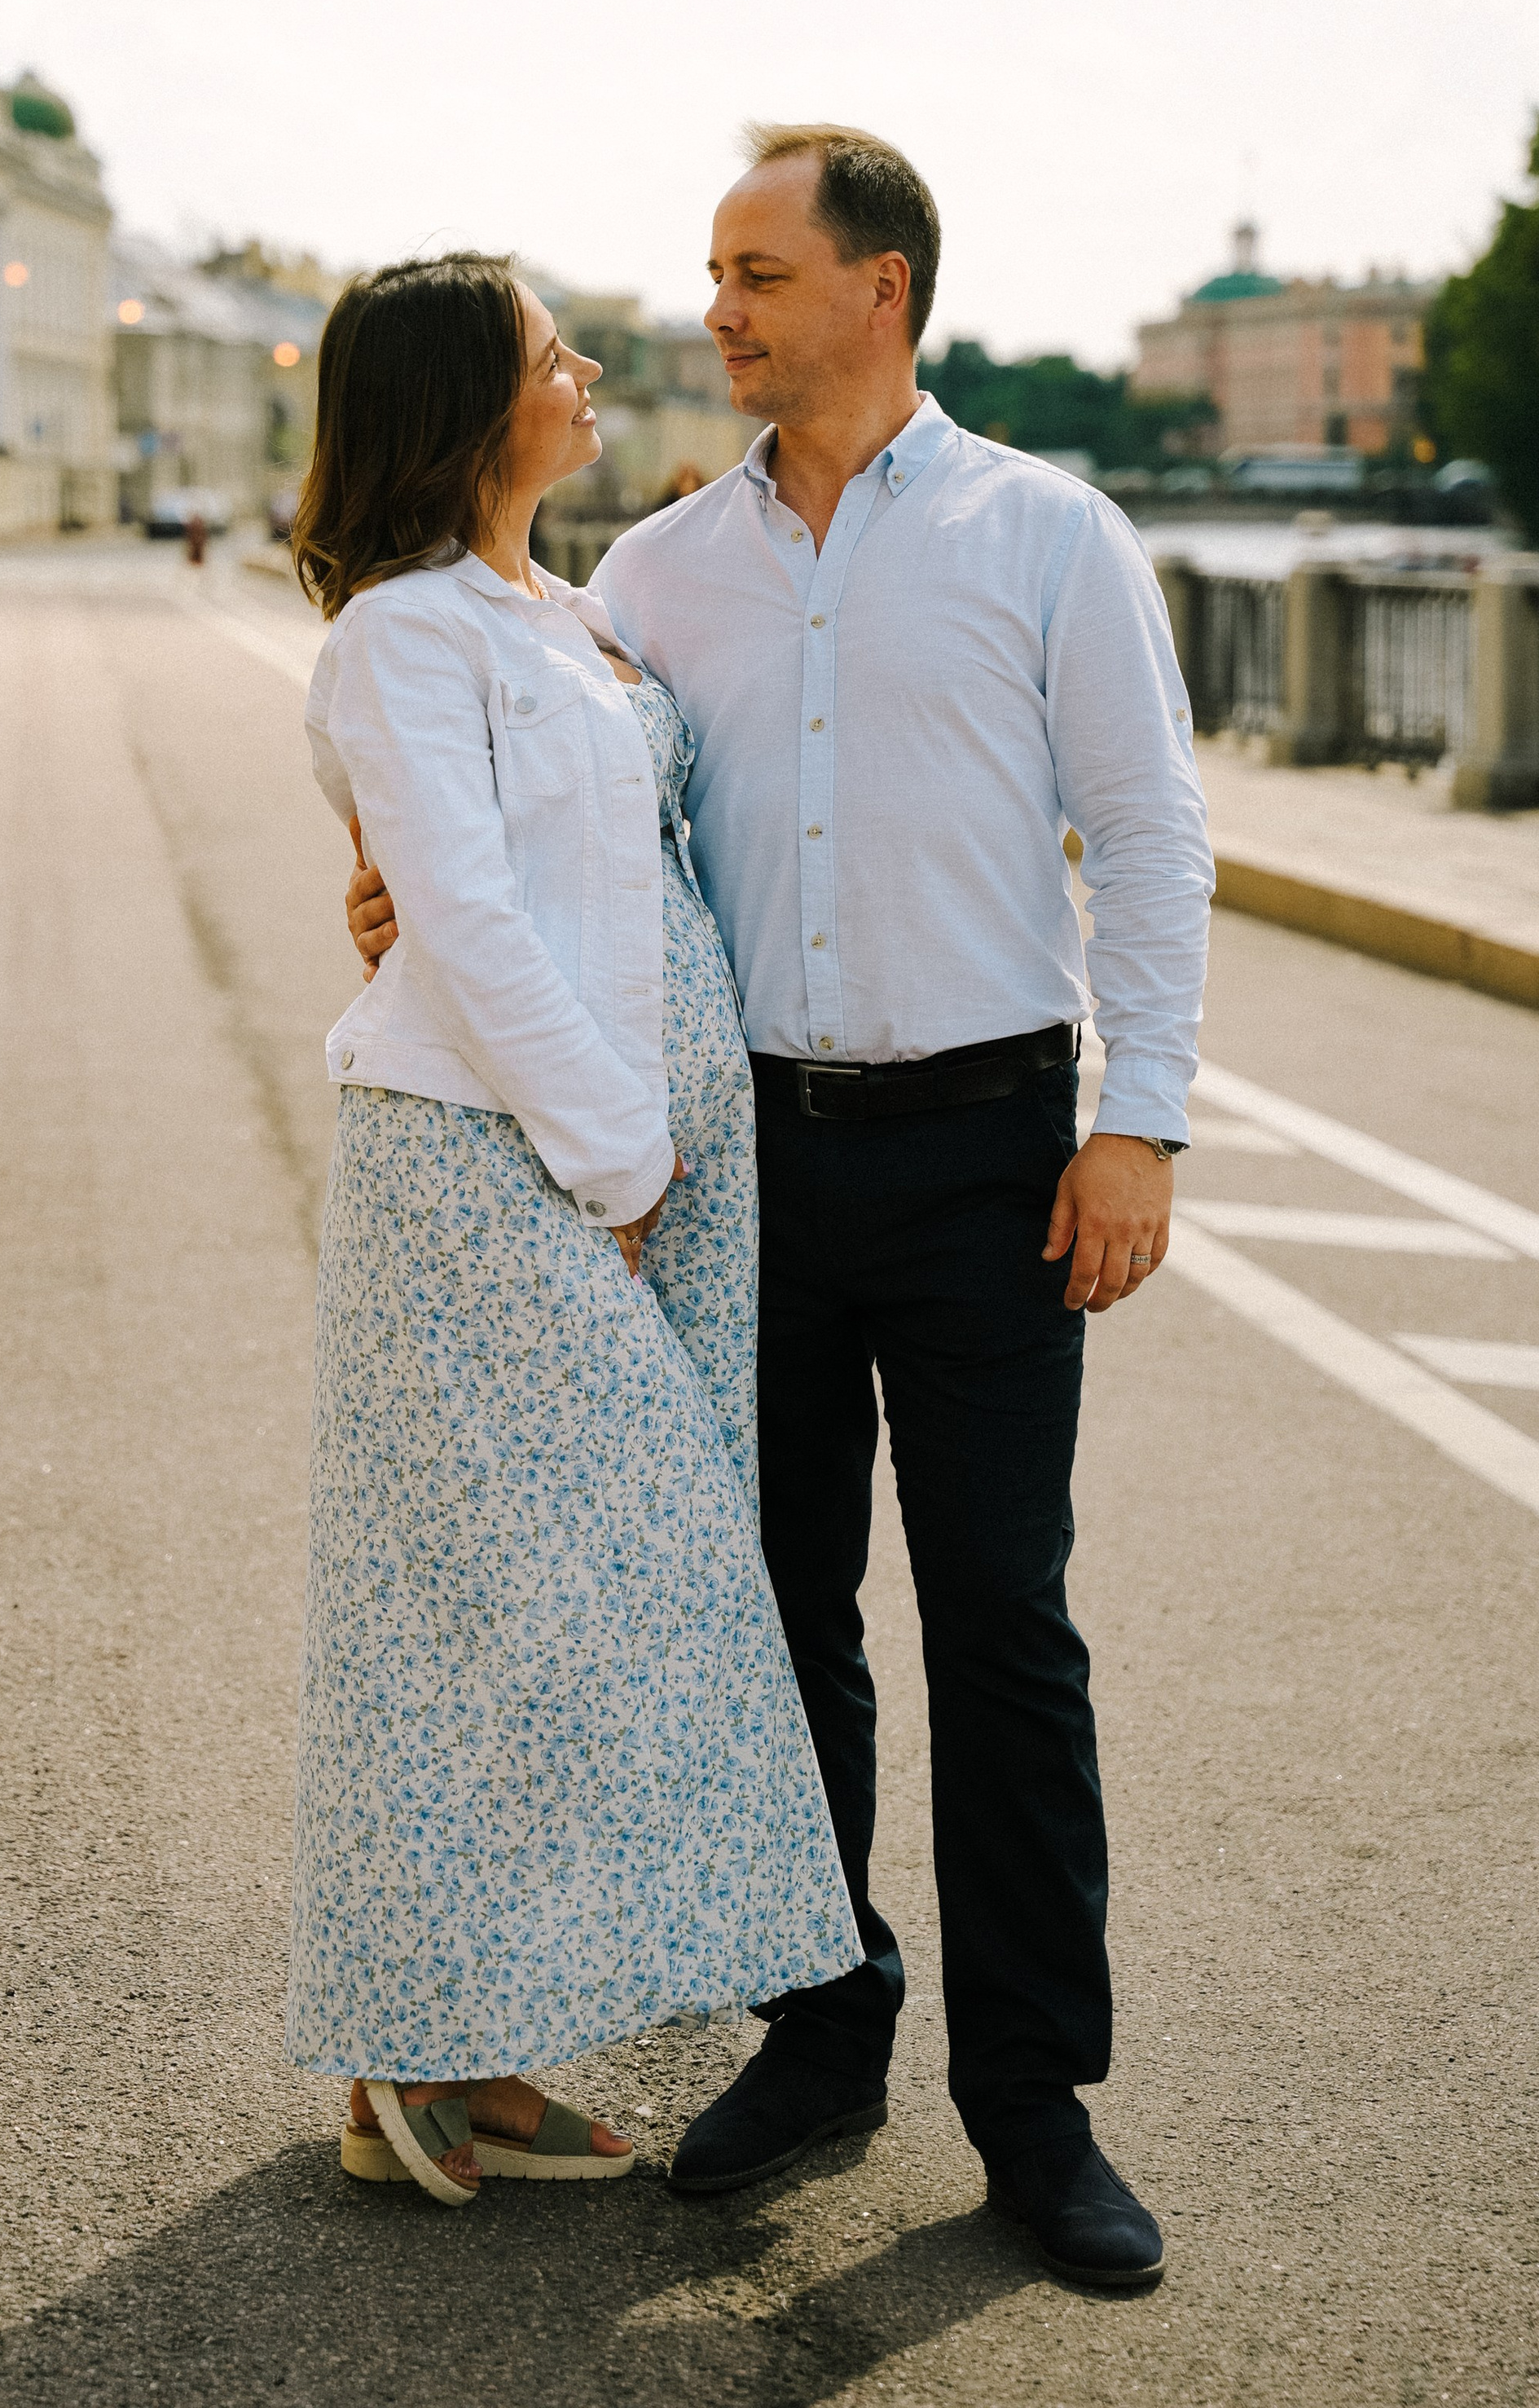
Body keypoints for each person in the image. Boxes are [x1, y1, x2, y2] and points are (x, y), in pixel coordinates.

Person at [348, 131, 1212, 2286]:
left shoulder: (1049, 536)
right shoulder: (647, 580)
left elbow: (1153, 831)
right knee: (777, 1626)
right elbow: (558, 829)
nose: (716, 308)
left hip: (997, 1150)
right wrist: (385, 885)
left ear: (882, 289)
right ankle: (824, 2035)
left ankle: (1037, 2105)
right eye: (710, 271)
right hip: (748, 1162)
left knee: (1006, 1631)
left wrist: (1146, 1122)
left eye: (759, 270)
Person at [287, 249, 860, 2208]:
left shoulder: (572, 614)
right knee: (525, 1608)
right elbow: (456, 914)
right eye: (552, 354)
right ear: (467, 406)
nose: (594, 364)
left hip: (653, 1180)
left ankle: (451, 2046)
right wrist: (613, 1158)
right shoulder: (402, 635)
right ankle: (419, 2040)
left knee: (568, 1615)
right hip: (500, 1173)